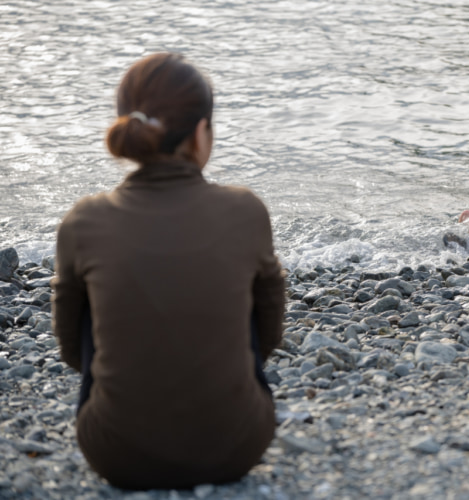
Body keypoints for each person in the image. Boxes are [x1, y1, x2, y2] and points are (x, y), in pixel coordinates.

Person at [52, 53, 285, 490]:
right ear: (201, 132)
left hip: (115, 453)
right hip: (237, 446)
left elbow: (72, 352)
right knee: (245, 287)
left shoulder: (84, 220)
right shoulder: (245, 210)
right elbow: (268, 337)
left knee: (92, 293)